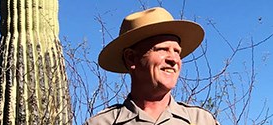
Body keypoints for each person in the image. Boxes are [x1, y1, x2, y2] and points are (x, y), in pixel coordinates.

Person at [84, 7, 220, 125]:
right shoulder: (102, 123)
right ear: (131, 58)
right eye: (162, 49)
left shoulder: (201, 120)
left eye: (177, 51)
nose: (173, 59)